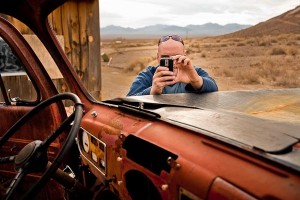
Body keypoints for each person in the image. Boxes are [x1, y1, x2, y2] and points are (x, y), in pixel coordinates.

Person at [127, 35, 218, 96]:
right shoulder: (148, 75)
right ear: (158, 58)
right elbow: (128, 101)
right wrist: (152, 92)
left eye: (176, 56)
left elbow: (215, 90)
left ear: (184, 56)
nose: (172, 61)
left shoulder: (193, 72)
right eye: (165, 57)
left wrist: (196, 81)